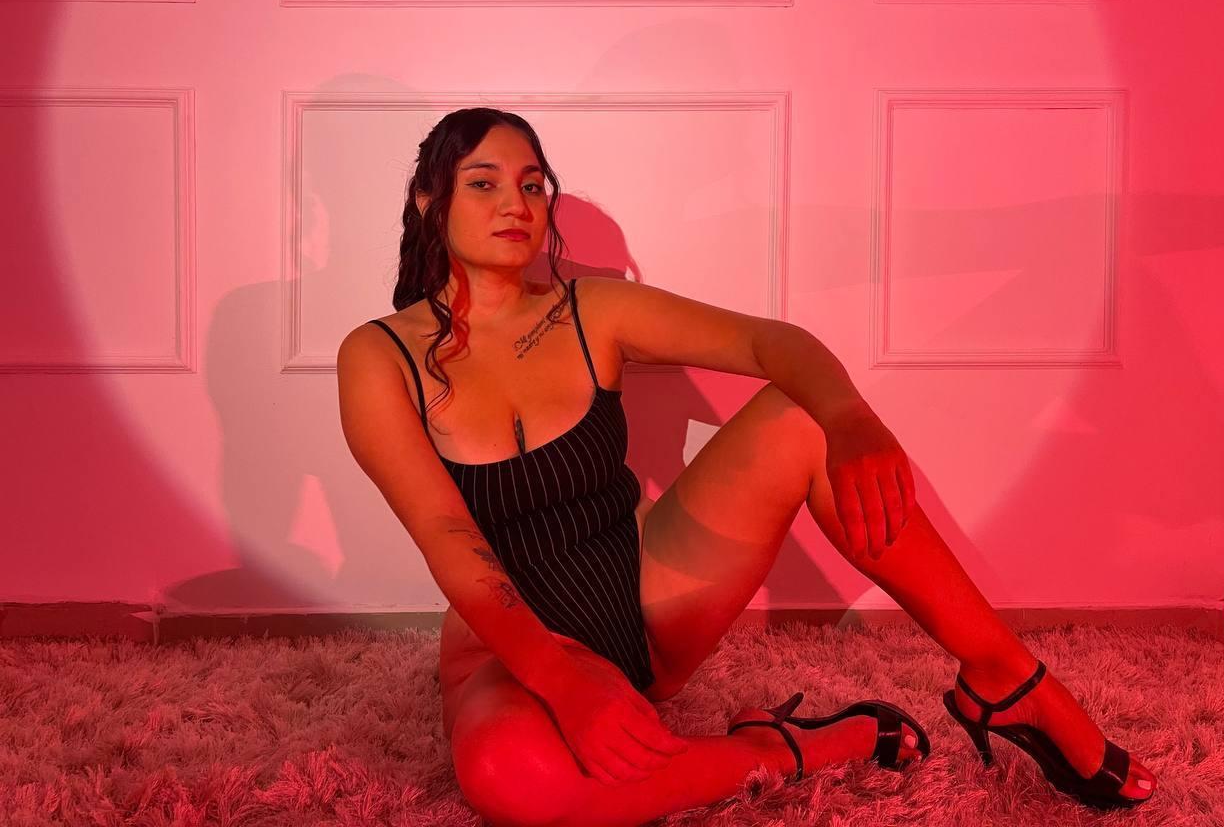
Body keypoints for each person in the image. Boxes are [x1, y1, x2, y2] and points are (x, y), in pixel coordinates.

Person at [336, 108, 1157, 826]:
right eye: (483, 183)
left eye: (532, 184)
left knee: (801, 419)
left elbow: (771, 343)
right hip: (509, 650)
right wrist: (561, 680)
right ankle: (799, 747)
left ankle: (1007, 679)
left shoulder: (591, 311)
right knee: (509, 779)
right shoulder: (380, 357)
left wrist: (851, 418)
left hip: (642, 602)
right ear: (429, 200)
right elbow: (448, 537)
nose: (516, 205)